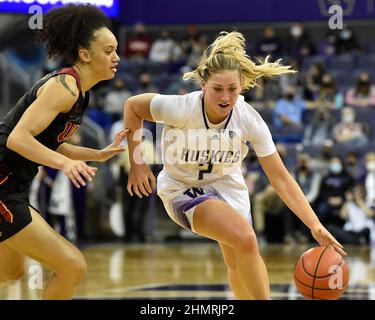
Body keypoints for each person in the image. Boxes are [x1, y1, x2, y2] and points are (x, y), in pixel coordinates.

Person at [124, 31, 345, 300]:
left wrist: (314, 224)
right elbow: (132, 107)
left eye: (232, 88)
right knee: (246, 238)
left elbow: (281, 178)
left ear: (242, 85)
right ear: (203, 84)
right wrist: (137, 164)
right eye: (218, 88)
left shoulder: (249, 119)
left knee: (238, 258)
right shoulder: (181, 107)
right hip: (183, 188)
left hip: (228, 186)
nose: (226, 97)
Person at [0, 4, 128, 299]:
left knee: (10, 271)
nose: (116, 57)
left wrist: (97, 154)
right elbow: (18, 138)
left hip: (14, 186)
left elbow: (48, 141)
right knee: (73, 266)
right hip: (3, 185)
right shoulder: (65, 87)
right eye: (108, 50)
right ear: (85, 54)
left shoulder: (80, 91)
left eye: (116, 49)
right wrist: (64, 165)